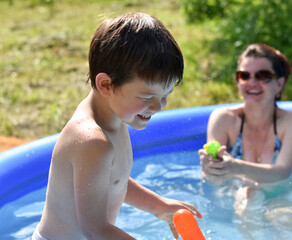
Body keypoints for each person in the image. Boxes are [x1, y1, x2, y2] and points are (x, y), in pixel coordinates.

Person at [33, 12, 201, 240]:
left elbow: (113, 180)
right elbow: (95, 230)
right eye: (146, 97)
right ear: (106, 84)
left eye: (166, 95)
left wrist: (159, 206)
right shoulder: (93, 141)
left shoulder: (114, 117)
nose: (159, 106)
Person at [198, 43, 292, 238]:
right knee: (250, 195)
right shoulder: (224, 119)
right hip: (234, 196)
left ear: (279, 84)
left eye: (263, 76)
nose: (252, 82)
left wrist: (236, 167)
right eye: (244, 75)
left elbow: (283, 171)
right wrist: (212, 170)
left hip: (280, 195)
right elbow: (213, 182)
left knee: (287, 220)